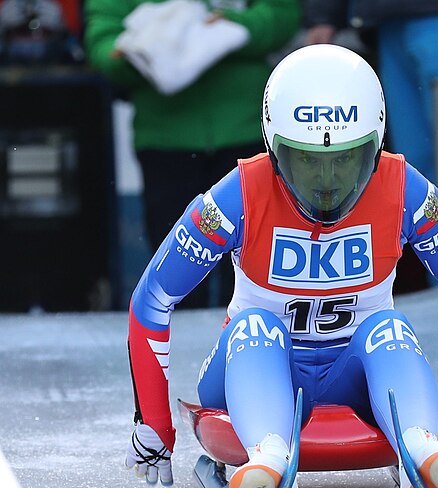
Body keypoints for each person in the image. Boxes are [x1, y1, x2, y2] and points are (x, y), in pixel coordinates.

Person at [124, 44, 438, 488]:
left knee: (387, 325)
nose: (327, 182)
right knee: (256, 325)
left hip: (355, 376)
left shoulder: (406, 190)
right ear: (273, 147)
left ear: (376, 141)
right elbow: (154, 298)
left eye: (347, 159)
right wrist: (154, 422)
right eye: (306, 161)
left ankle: (419, 446)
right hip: (251, 372)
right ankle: (269, 455)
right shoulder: (236, 195)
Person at [83, 0, 300, 307]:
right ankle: (177, 354)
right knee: (177, 279)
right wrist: (137, 54)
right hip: (167, 140)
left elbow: (283, 14)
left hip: (245, 132)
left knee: (253, 274)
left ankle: (250, 348)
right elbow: (103, 38)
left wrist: (234, 27)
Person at [302, 1, 438, 185]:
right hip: (387, 20)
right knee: (413, 156)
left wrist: (325, 15)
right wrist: (326, 15)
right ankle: (425, 210)